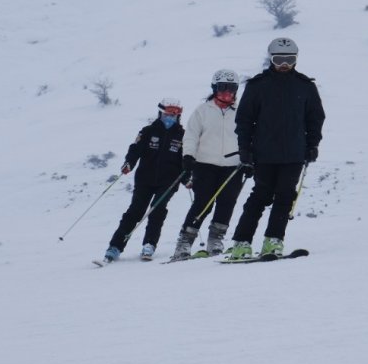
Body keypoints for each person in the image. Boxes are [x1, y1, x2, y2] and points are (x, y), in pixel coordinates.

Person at [227, 38, 326, 260]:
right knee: (261, 195)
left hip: (294, 153)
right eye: (279, 59)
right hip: (264, 153)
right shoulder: (257, 85)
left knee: (285, 196)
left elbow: (315, 118)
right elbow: (244, 121)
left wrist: (313, 145)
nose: (284, 64)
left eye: (289, 60)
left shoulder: (305, 86)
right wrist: (245, 148)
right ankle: (241, 243)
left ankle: (273, 241)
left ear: (296, 60)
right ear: (271, 59)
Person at [170, 69, 247, 260]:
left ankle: (216, 239)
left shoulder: (242, 111)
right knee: (203, 202)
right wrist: (188, 156)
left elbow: (250, 137)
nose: (227, 93)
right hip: (205, 164)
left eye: (231, 89)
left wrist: (250, 159)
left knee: (227, 202)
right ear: (214, 89)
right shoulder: (202, 111)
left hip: (233, 165)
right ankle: (185, 241)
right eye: (222, 88)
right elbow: (191, 136)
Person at [101, 99, 187, 263]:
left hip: (168, 181)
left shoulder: (183, 135)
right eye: (168, 114)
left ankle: (149, 245)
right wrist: (129, 164)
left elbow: (186, 160)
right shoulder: (148, 131)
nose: (171, 118)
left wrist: (187, 178)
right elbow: (135, 150)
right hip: (145, 179)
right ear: (161, 113)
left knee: (157, 209)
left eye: (174, 116)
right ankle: (115, 247)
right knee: (135, 211)